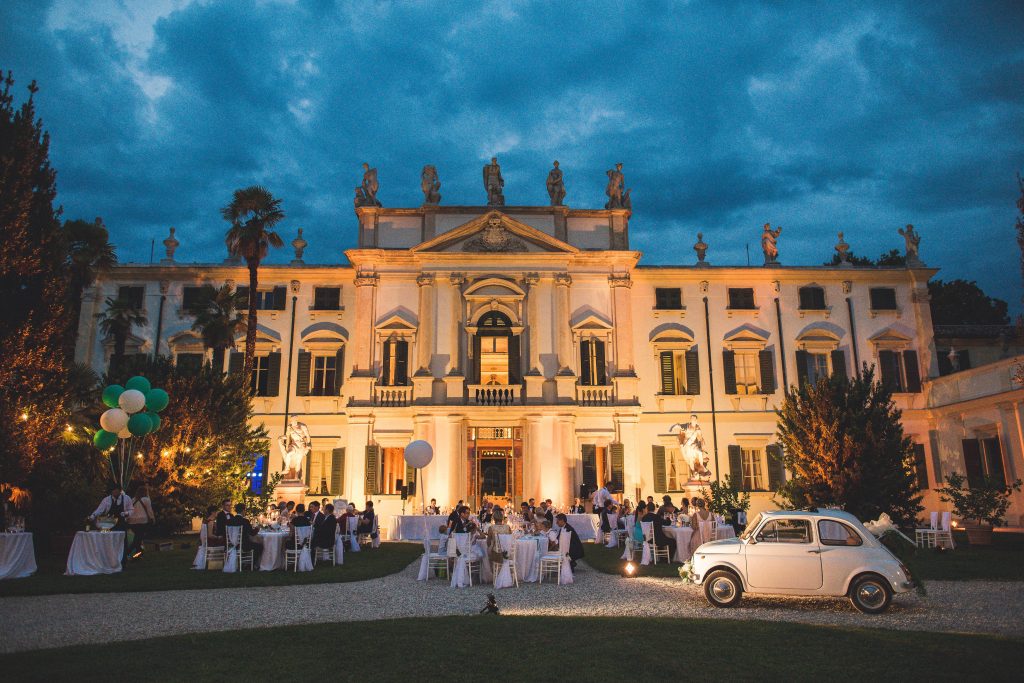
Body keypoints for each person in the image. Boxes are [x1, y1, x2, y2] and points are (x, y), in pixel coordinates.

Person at [126, 485, 155, 560]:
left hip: (132, 521)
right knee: (138, 539)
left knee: (137, 538)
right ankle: (127, 553)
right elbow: (149, 510)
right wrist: (152, 518)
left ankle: (138, 554)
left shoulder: (132, 500)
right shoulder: (146, 500)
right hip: (142, 521)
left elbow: (129, 510)